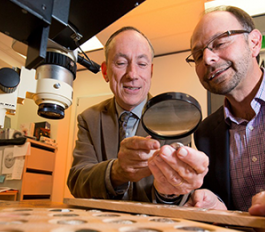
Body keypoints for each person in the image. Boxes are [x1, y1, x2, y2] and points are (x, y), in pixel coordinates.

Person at [148, 6, 265, 232]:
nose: (208, 59)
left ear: (254, 42)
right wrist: (211, 203)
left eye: (219, 43)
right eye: (198, 55)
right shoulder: (206, 132)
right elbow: (221, 207)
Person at [67, 26, 191, 204]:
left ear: (151, 71)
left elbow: (183, 192)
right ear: (105, 72)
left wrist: (170, 189)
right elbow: (77, 181)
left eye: (142, 64)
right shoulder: (89, 119)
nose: (132, 74)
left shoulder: (177, 118)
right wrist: (115, 172)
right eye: (120, 63)